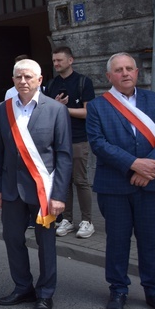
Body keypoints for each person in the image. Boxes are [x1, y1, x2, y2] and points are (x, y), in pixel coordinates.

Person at [86, 52, 155, 309]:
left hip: (151, 184)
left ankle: (154, 291)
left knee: (150, 240)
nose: (125, 73)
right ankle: (118, 290)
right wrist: (134, 164)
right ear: (109, 76)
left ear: (137, 72)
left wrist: (148, 167)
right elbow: (98, 144)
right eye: (118, 70)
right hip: (114, 186)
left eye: (129, 68)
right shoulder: (97, 106)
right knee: (117, 240)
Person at [0, 58, 72, 309]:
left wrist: (59, 195)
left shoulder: (56, 110)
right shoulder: (4, 109)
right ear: (13, 80)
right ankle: (23, 287)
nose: (23, 82)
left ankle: (45, 294)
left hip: (43, 192)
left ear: (39, 80)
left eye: (28, 77)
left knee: (45, 243)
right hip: (11, 190)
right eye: (18, 77)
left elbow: (64, 156)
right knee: (12, 240)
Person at [45, 46, 96, 239]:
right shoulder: (51, 85)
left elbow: (88, 112)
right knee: (63, 182)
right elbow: (46, 112)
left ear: (70, 60)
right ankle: (66, 219)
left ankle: (87, 221)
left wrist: (64, 109)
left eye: (60, 60)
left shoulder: (83, 82)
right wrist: (55, 107)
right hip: (57, 141)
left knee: (81, 181)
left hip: (77, 139)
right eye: (54, 61)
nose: (56, 64)